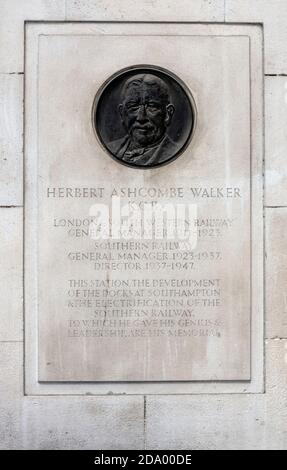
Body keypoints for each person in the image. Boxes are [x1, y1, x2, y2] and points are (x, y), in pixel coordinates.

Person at [108, 73, 181, 166]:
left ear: (168, 114)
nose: (141, 117)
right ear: (122, 113)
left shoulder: (174, 153)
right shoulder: (111, 148)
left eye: (152, 106)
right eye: (133, 106)